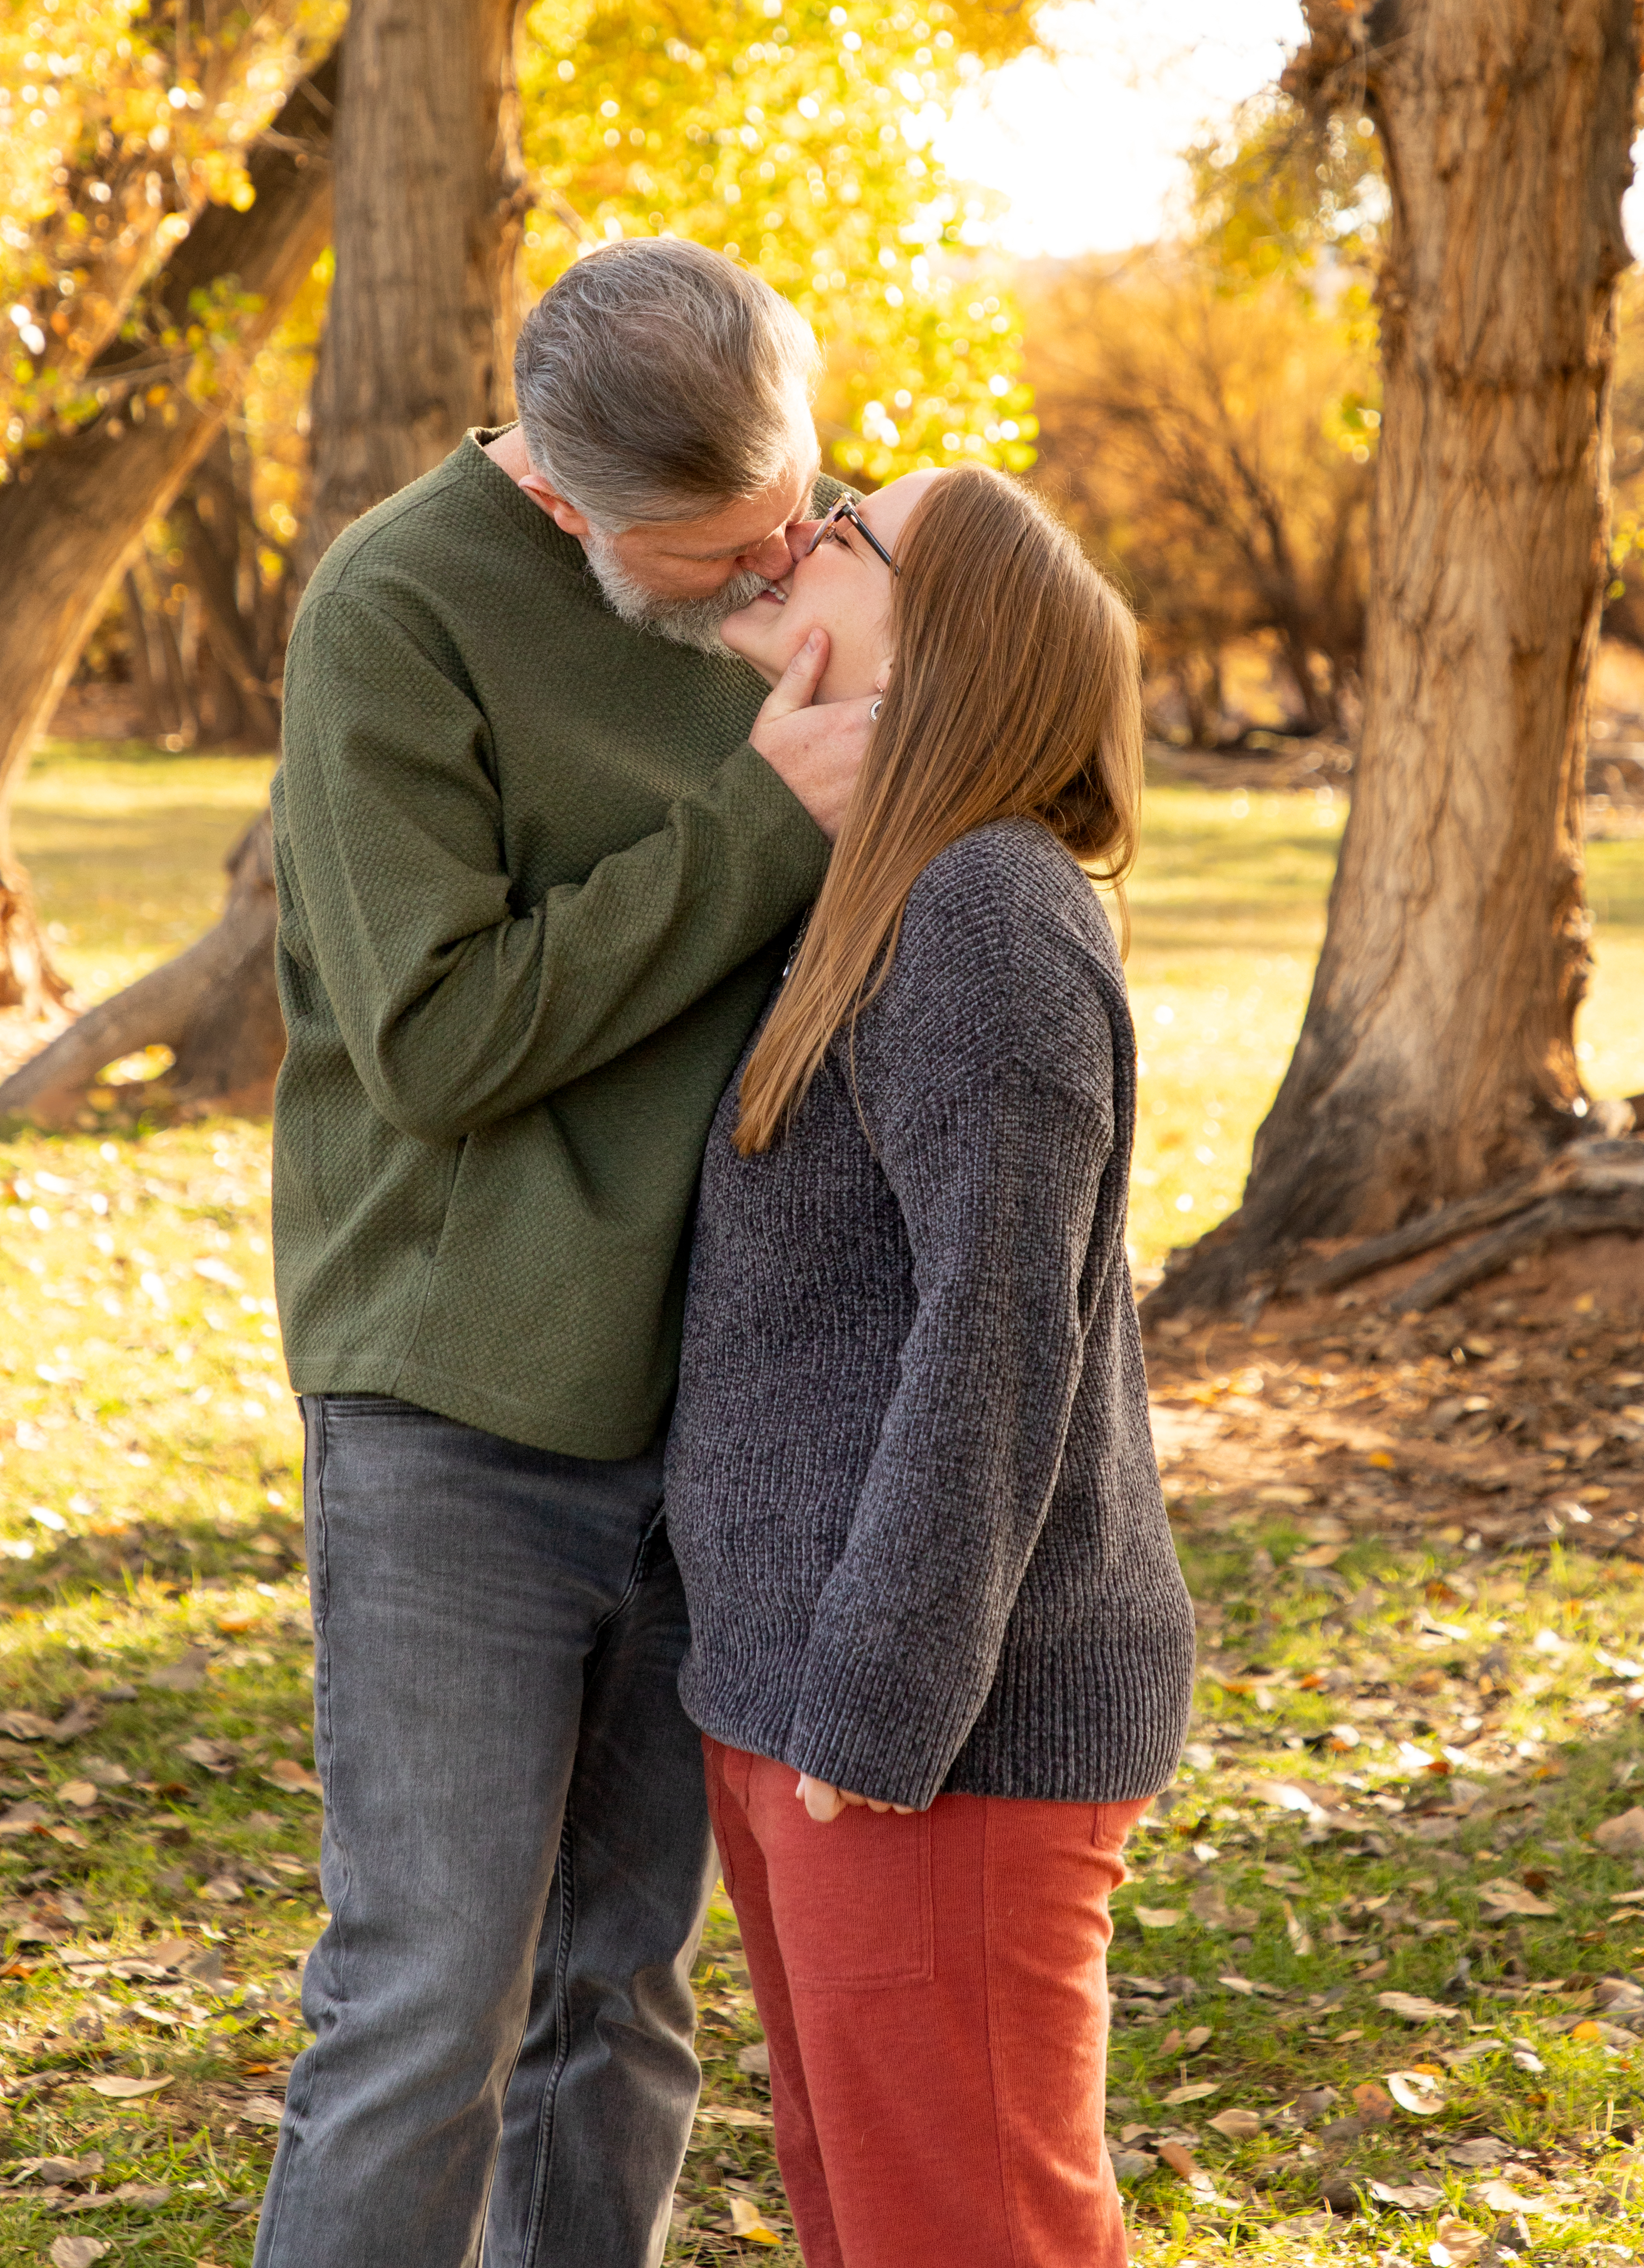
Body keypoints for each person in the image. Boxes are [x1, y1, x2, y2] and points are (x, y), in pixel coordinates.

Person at [255, 238, 875, 2268]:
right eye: (721, 551)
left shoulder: (795, 564)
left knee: (618, 1994)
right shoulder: (398, 611)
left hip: (715, 1404)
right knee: (431, 2003)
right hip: (464, 1399)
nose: (778, 569)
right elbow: (433, 1044)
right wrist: (763, 827)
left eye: (795, 509)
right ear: (568, 495)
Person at [665, 462, 1197, 2268]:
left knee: (970, 2236)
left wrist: (881, 1706)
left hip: (930, 1737)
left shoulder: (985, 913)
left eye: (849, 528)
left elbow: (1001, 1333)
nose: (801, 535)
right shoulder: (876, 894)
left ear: (939, 638)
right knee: (870, 2221)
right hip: (799, 1706)